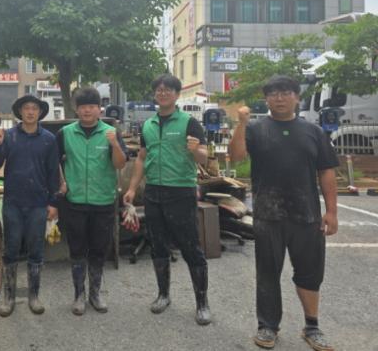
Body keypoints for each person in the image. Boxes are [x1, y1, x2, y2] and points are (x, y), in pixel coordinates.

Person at [229, 75, 338, 351]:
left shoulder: (313, 132)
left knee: (310, 273)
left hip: (307, 215)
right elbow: (236, 157)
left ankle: (312, 326)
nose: (279, 98)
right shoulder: (256, 129)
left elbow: (326, 172)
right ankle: (267, 326)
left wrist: (331, 212)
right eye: (273, 93)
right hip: (268, 214)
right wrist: (241, 124)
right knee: (267, 273)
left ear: (297, 97)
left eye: (286, 92)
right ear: (266, 99)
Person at [124, 74, 211, 325]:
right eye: (159, 90)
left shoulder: (189, 123)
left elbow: (204, 157)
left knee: (191, 247)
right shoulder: (148, 125)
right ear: (155, 94)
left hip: (181, 191)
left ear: (176, 94)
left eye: (168, 90)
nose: (163, 93)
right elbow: (141, 158)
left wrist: (196, 150)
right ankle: (163, 295)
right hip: (153, 192)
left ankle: (202, 303)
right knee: (158, 245)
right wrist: (132, 188)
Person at [0, 95, 60, 317]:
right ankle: (9, 297)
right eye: (26, 108)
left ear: (40, 112)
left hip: (38, 204)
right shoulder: (9, 136)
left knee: (36, 251)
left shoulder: (49, 139)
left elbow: (53, 173)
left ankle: (34, 296)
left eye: (34, 108)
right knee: (10, 250)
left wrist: (53, 203)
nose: (30, 112)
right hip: (13, 203)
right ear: (20, 112)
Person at [58, 86, 127, 315]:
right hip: (75, 201)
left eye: (91, 106)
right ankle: (79, 295)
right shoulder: (66, 133)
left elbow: (120, 164)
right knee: (77, 249)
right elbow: (53, 161)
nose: (87, 110)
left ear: (99, 109)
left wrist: (114, 144)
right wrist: (62, 182)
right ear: (76, 110)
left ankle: (95, 293)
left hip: (103, 201)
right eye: (83, 107)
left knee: (99, 250)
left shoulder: (111, 132)